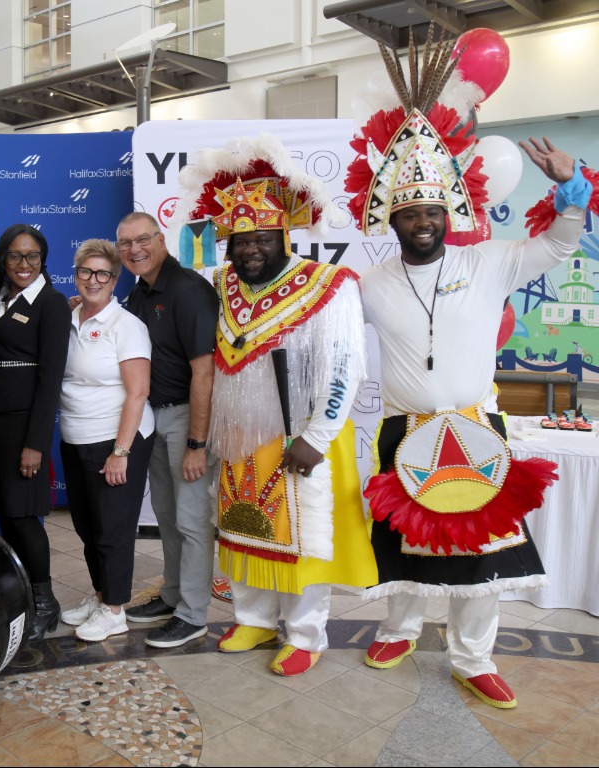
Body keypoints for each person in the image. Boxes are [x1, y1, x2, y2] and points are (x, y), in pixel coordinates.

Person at [348, 33, 596, 708]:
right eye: (410, 212)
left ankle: (473, 656)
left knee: (479, 553)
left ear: (447, 213)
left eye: (432, 210)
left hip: (477, 427)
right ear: (393, 218)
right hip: (404, 429)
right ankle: (398, 629)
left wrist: (571, 188)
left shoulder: (488, 263)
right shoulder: (370, 282)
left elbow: (558, 242)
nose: (422, 220)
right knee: (403, 541)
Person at [172, 135, 378, 674]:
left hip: (299, 440)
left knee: (303, 538)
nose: (250, 250)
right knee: (242, 529)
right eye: (239, 241)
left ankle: (306, 636)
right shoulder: (218, 285)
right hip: (238, 438)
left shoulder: (326, 285)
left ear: (283, 235)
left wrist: (318, 436)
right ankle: (256, 621)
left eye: (261, 238)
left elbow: (344, 369)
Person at [119, 212, 219, 649]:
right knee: (166, 514)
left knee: (193, 520)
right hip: (153, 417)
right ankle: (173, 595)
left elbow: (204, 373)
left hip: (185, 417)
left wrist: (197, 443)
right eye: (124, 244)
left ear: (162, 240)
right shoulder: (140, 291)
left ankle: (193, 614)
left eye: (142, 240)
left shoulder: (188, 289)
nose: (133, 250)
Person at [58, 239, 155, 642]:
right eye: (85, 272)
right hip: (75, 435)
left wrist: (121, 452)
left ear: (115, 279)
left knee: (112, 528)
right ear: (76, 273)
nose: (92, 280)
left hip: (117, 438)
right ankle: (100, 596)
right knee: (85, 525)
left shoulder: (126, 325)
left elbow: (138, 393)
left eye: (103, 274)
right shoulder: (68, 315)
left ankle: (115, 610)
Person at [0, 223, 72, 642]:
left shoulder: (51, 303)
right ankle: (18, 596)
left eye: (32, 256)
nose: (24, 264)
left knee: (24, 516)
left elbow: (50, 379)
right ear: (3, 259)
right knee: (4, 515)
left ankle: (45, 602)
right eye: (15, 256)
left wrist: (36, 443)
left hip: (23, 427)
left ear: (43, 261)